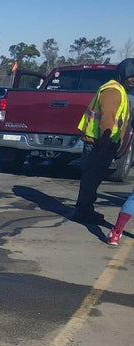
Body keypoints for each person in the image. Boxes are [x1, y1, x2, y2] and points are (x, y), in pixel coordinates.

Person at [73, 58, 134, 224]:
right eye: (131, 77)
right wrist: (105, 144)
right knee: (91, 180)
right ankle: (83, 212)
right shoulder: (113, 91)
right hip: (99, 144)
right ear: (123, 74)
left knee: (92, 180)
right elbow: (107, 119)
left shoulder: (119, 90)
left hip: (102, 143)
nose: (133, 80)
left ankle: (85, 209)